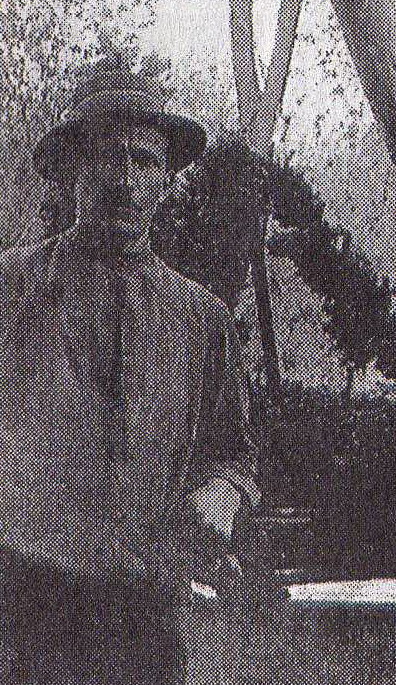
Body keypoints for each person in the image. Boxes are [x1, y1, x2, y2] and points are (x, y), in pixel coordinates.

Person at [0, 61, 259, 685]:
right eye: (105, 158)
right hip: (28, 603)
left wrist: (217, 501)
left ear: (166, 180)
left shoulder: (202, 318)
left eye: (143, 161)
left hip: (147, 611)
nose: (124, 180)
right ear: (72, 171)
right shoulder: (13, 292)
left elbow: (232, 457)